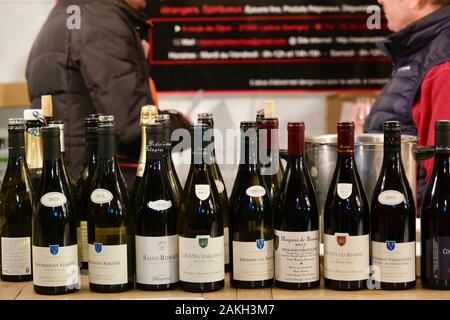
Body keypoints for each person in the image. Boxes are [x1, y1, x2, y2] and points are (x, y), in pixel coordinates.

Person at [26, 0, 155, 187]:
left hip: (65, 183)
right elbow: (133, 129)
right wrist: (187, 130)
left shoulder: (67, 15)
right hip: (99, 190)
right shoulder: (99, 20)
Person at [364, 0, 450, 204]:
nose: (380, 1)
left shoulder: (442, 62)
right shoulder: (421, 53)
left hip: (418, 229)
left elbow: (443, 181)